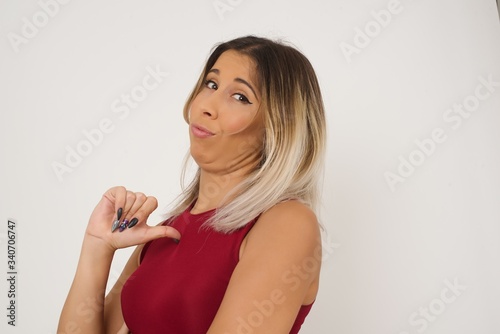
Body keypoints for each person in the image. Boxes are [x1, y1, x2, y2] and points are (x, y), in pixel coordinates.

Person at [57, 35, 326, 334]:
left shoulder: (287, 224)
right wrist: (98, 246)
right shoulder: (166, 232)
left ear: (279, 127)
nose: (207, 106)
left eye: (240, 97)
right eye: (211, 84)